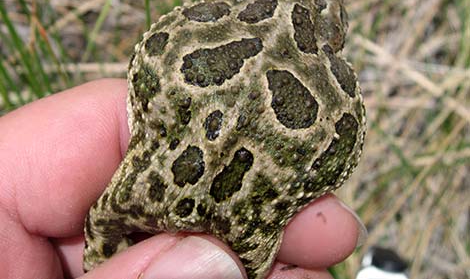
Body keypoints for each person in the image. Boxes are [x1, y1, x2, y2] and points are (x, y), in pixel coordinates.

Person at [0, 79, 367, 279]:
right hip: (220, 205)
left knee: (108, 218)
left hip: (182, 188)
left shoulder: (335, 87)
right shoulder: (339, 88)